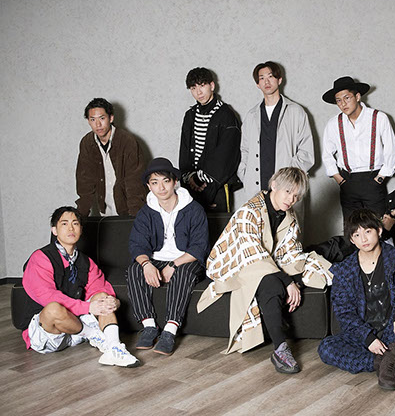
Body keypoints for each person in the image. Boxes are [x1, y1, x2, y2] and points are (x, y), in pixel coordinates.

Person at [197, 167, 332, 374]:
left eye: (296, 195)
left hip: (266, 261)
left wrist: (294, 280)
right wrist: (287, 282)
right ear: (274, 186)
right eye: (288, 192)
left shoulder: (289, 215)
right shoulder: (249, 211)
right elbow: (251, 253)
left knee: (308, 269)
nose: (291, 199)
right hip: (235, 263)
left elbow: (291, 251)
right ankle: (280, 349)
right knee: (272, 284)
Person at [318, 209, 395, 390]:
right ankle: (388, 361)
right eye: (357, 235)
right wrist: (368, 338)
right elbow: (344, 311)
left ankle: (392, 357)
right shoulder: (344, 270)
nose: (363, 239)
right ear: (352, 240)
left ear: (379, 230)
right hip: (367, 333)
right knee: (326, 348)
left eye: (368, 231)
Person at [19, 206, 138, 367]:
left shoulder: (86, 262)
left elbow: (100, 288)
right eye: (64, 224)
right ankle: (94, 335)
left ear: (81, 230)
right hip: (48, 332)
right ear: (54, 230)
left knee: (103, 298)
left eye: (75, 224)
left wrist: (112, 301)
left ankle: (114, 348)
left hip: (76, 329)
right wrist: (88, 307)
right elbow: (47, 296)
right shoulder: (40, 258)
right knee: (53, 307)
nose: (71, 228)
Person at [127, 158, 209, 356]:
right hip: (156, 258)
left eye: (165, 181)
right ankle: (149, 326)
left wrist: (173, 264)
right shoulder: (146, 212)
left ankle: (170, 331)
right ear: (149, 186)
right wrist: (146, 264)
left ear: (175, 182)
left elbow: (199, 247)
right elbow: (137, 244)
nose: (161, 188)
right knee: (134, 269)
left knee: (183, 274)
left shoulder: (194, 209)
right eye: (155, 183)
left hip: (186, 258)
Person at [322, 76, 395, 220]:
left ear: (357, 97)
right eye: (338, 100)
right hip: (347, 181)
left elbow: (392, 150)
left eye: (347, 98)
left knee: (378, 226)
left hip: (373, 180)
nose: (343, 104)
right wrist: (340, 180)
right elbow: (327, 155)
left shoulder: (379, 118)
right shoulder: (333, 124)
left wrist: (380, 179)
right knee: (351, 227)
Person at [238, 61, 314, 200]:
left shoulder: (296, 111)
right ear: (257, 84)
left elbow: (306, 151)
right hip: (256, 187)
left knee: (287, 214)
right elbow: (245, 149)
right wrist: (245, 174)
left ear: (279, 80)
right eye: (262, 78)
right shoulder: (251, 115)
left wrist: (289, 175)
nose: (266, 81)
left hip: (286, 187)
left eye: (270, 76)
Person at [179, 67, 241, 212]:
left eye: (202, 85)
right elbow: (184, 151)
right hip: (191, 187)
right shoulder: (190, 115)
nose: (198, 92)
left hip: (217, 185)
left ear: (212, 86)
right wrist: (189, 177)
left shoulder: (226, 115)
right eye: (193, 88)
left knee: (219, 225)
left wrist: (201, 178)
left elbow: (228, 154)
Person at [76, 98, 146, 217]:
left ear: (111, 118)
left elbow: (134, 183)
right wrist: (80, 218)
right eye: (93, 119)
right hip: (104, 208)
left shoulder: (127, 141)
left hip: (128, 208)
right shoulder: (87, 143)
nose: (98, 124)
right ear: (88, 121)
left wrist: (134, 218)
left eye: (102, 118)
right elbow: (84, 182)